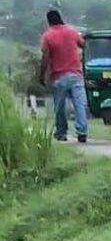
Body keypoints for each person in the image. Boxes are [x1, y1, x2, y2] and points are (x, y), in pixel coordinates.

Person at [39, 8, 89, 143]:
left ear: (48, 21)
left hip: (59, 76)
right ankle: (82, 131)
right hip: (76, 74)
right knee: (79, 105)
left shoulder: (47, 36)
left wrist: (42, 75)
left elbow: (45, 58)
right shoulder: (71, 31)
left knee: (59, 107)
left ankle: (61, 133)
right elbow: (84, 45)